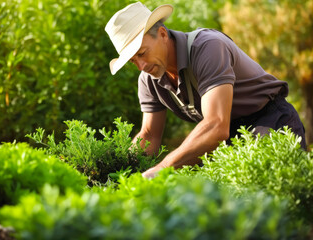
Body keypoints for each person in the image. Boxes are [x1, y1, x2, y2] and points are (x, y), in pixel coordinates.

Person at [105, 2, 307, 178]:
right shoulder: (149, 80)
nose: (141, 66)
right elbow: (149, 135)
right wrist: (122, 174)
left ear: (162, 34)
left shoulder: (208, 48)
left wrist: (163, 167)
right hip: (229, 138)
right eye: (133, 61)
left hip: (271, 121)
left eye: (142, 53)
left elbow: (217, 125)